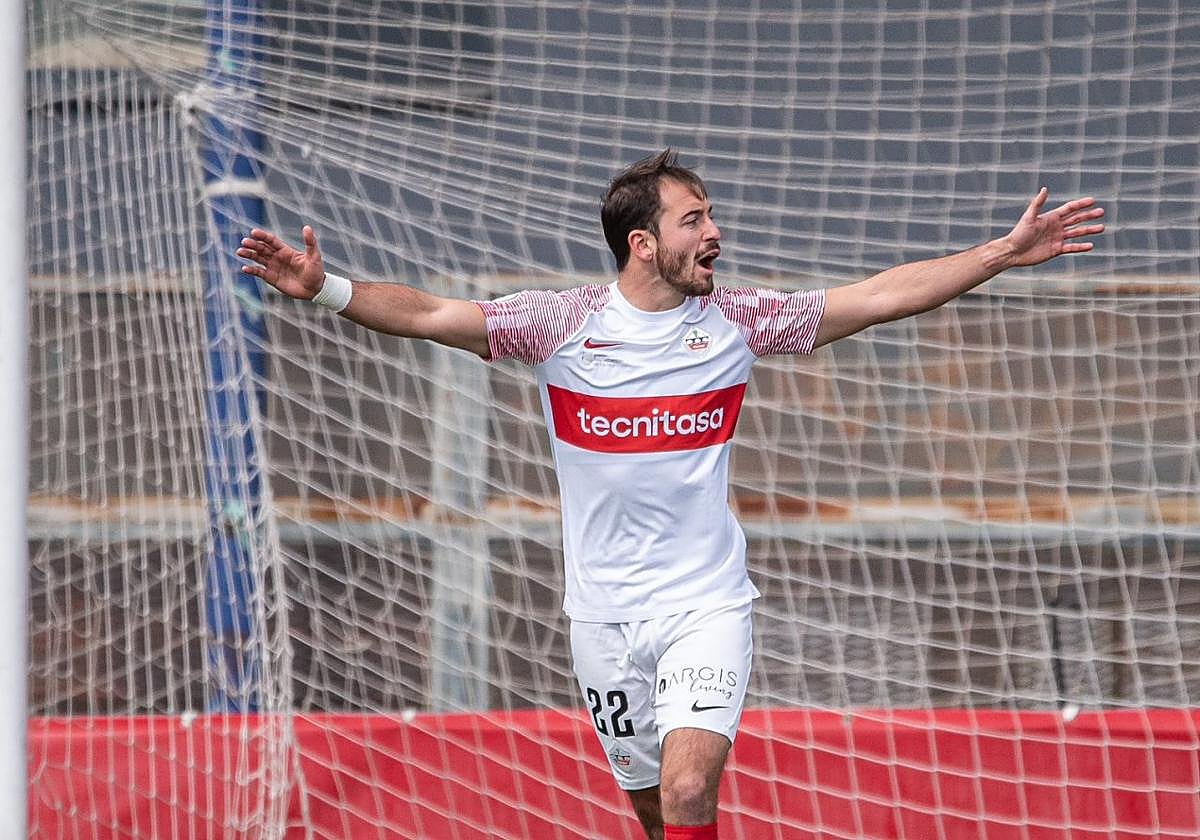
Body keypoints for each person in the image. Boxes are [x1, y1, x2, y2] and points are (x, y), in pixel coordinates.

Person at [237, 149, 1104, 840]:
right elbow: (430, 313)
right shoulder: (559, 324)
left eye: (712, 215)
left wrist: (998, 253)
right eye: (695, 219)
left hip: (704, 604)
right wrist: (327, 290)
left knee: (691, 786)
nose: (716, 233)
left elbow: (875, 298)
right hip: (603, 617)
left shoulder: (739, 318)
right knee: (658, 812)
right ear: (643, 243)